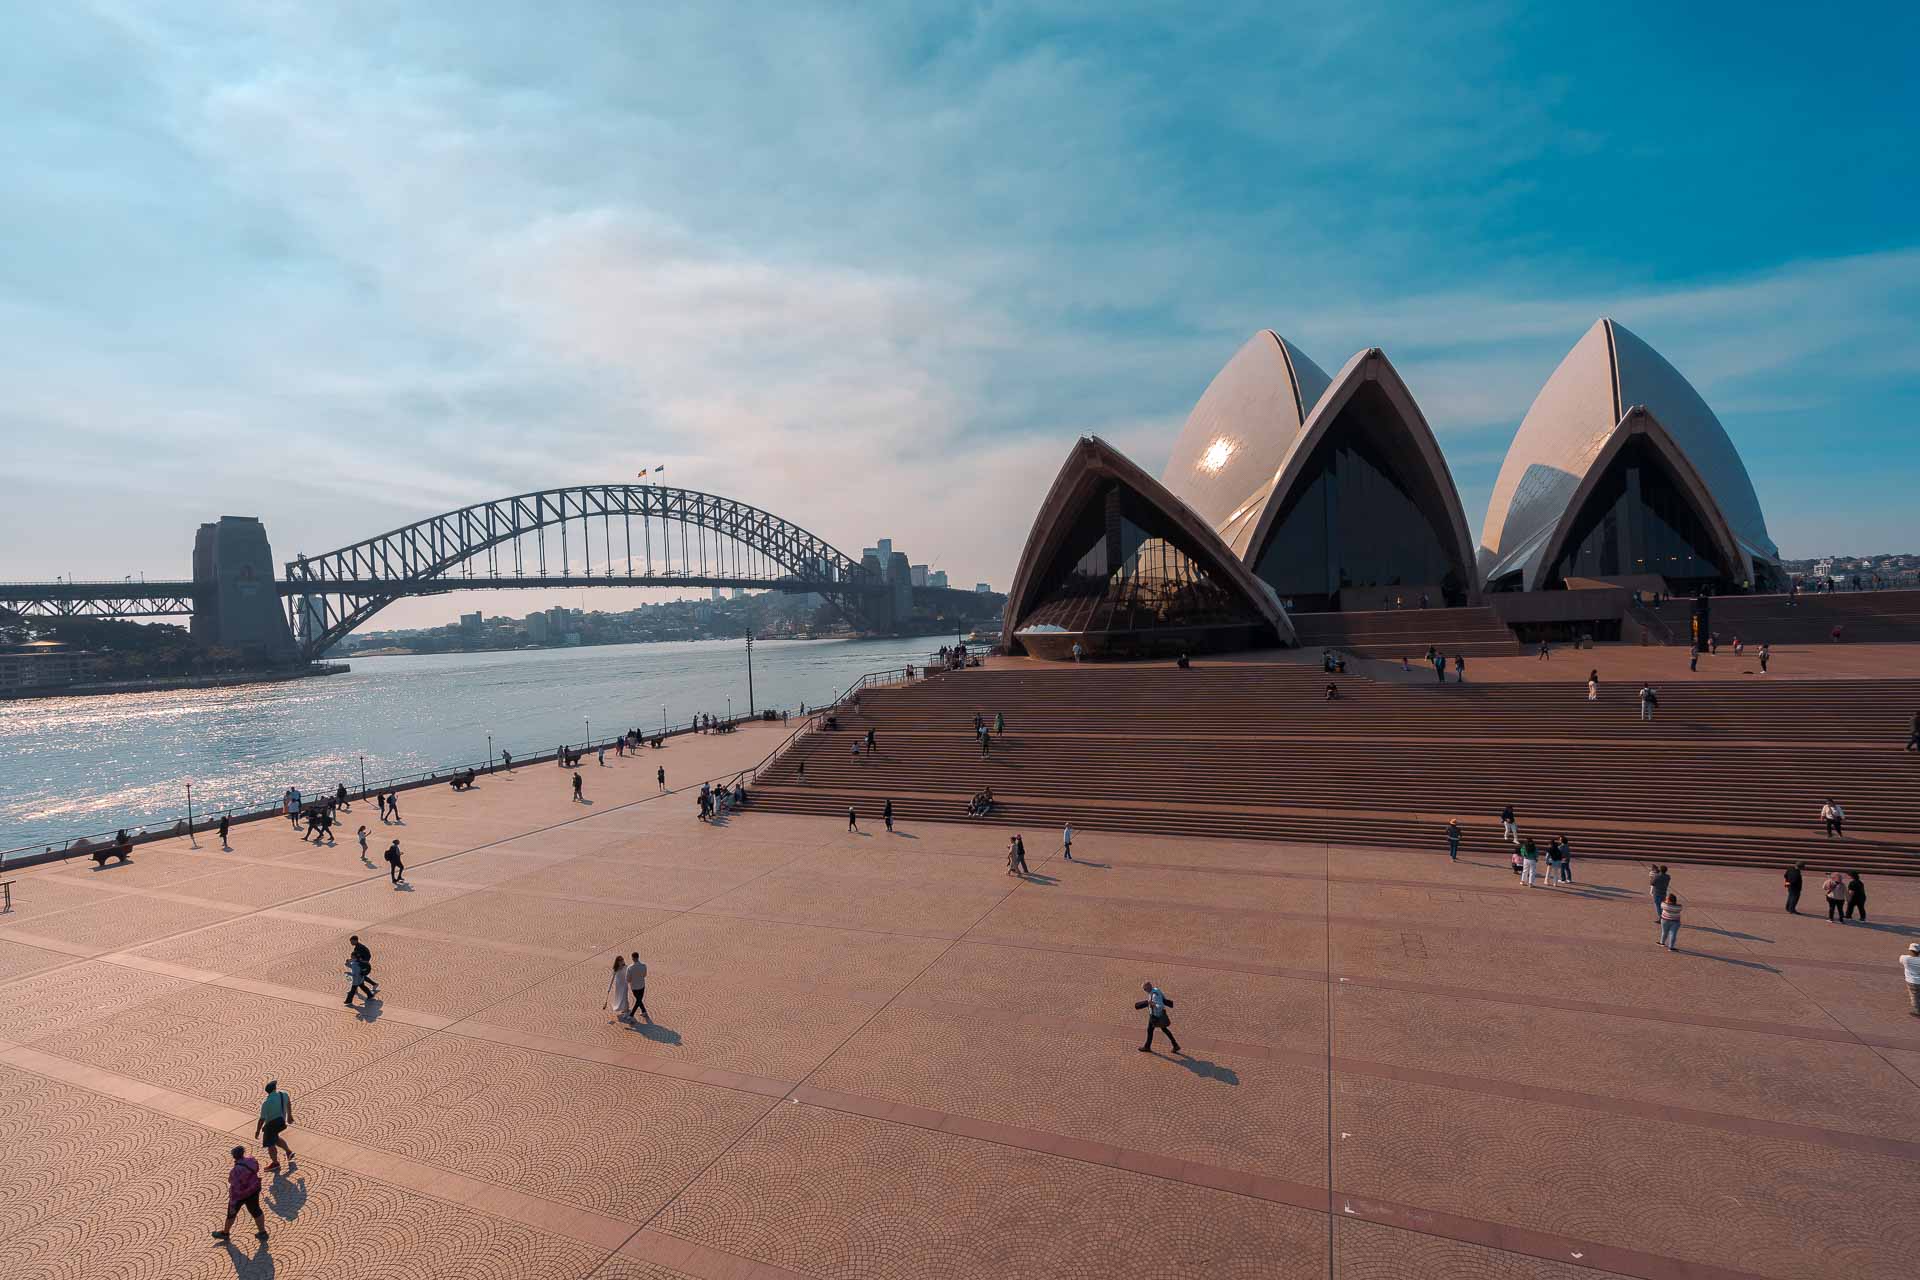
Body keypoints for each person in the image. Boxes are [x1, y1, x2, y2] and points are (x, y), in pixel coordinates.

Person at [212, 1146, 269, 1242]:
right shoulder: (251, 1160)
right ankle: (262, 1232)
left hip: (239, 1195)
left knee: (231, 1214)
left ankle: (225, 1233)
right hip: (253, 1189)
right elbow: (257, 1168)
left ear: (234, 1157)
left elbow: (232, 1181)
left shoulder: (235, 1171)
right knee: (256, 1210)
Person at [257, 1081, 294, 1172]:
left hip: (271, 1125)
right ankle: (288, 1152)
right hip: (281, 1122)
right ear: (274, 1089)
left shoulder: (266, 1103)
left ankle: (275, 1163)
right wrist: (289, 1116)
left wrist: (257, 1131)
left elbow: (262, 1119)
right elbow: (288, 1103)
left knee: (270, 1144)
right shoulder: (283, 1095)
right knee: (276, 1138)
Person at [1135, 982, 1181, 1055]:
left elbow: (1160, 1006)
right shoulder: (1156, 990)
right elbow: (1163, 998)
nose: (1144, 991)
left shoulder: (1154, 996)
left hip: (1156, 1016)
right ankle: (1175, 1045)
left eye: (1145, 989)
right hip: (1157, 1015)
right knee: (1160, 1030)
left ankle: (1148, 1047)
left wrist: (1152, 1004)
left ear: (1148, 988)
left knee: (1153, 1030)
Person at [344, 936, 376, 1006]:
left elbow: (354, 973)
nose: (351, 943)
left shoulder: (355, 964)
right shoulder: (357, 962)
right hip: (360, 977)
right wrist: (349, 963)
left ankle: (348, 1001)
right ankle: (370, 995)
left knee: (353, 990)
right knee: (363, 986)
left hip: (356, 979)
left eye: (352, 941)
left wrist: (348, 973)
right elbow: (351, 965)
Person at [606, 956, 630, 1023]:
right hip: (618, 986)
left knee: (625, 997)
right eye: (620, 960)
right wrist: (609, 988)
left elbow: (629, 975)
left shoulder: (626, 967)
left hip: (624, 984)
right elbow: (612, 978)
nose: (622, 961)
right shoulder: (615, 969)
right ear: (617, 962)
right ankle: (625, 1008)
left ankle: (626, 1010)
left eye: (622, 960)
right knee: (620, 997)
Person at [627, 952, 649, 1021]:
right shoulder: (643, 966)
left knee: (638, 1000)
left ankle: (631, 1015)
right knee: (639, 1000)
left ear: (632, 958)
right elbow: (644, 975)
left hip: (634, 987)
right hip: (642, 985)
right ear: (638, 957)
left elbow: (628, 979)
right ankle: (644, 1011)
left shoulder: (630, 968)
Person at [1902, 943, 1920, 1018]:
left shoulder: (1904, 958)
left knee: (1914, 996)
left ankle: (1918, 1011)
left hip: (1911, 981)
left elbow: (1901, 958)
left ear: (1910, 950)